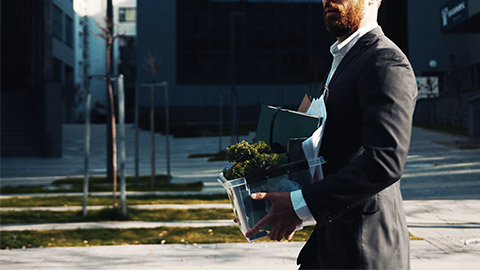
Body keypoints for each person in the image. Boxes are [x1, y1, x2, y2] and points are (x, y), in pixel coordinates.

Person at [245, 0, 417, 269]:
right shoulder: (346, 61)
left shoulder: (385, 61)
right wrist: (269, 195)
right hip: (332, 241)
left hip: (365, 249)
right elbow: (336, 154)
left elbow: (385, 160)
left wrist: (300, 205)